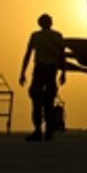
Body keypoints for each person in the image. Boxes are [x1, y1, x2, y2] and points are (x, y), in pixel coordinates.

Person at [19, 13, 66, 141]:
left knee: (37, 101)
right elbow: (62, 56)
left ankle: (38, 130)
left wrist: (22, 72)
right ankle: (49, 131)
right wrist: (63, 73)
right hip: (52, 70)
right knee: (49, 102)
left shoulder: (36, 36)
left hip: (40, 69)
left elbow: (28, 54)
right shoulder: (57, 36)